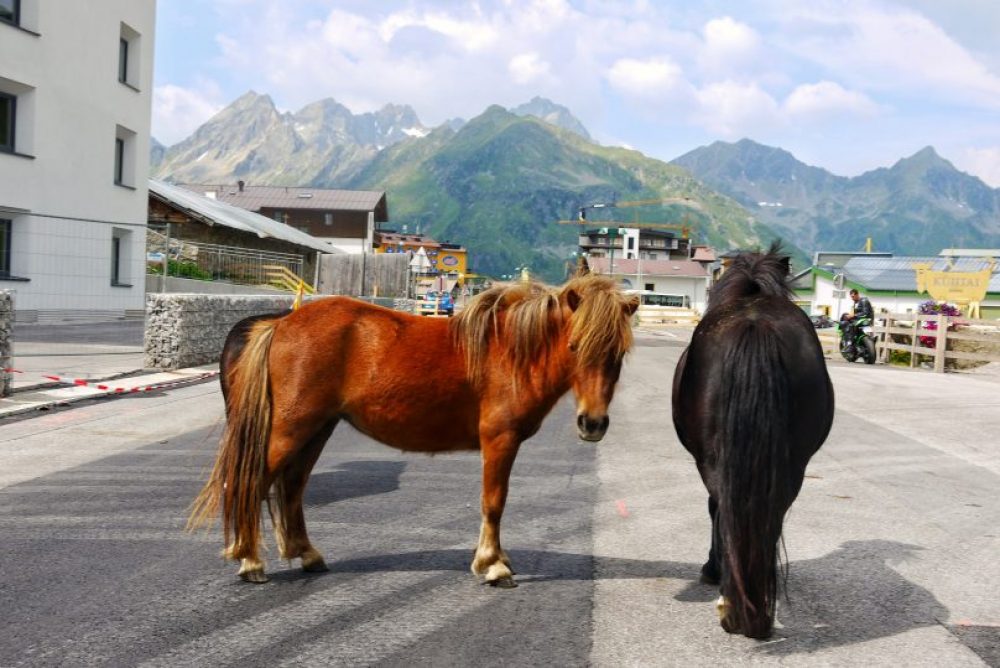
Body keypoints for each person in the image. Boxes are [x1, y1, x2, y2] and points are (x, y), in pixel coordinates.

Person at [840, 288, 874, 353]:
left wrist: (853, 316)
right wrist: (850, 315)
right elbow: (856, 313)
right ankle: (848, 339)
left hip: (865, 319)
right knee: (844, 315)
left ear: (857, 294)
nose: (852, 298)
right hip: (861, 319)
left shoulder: (864, 300)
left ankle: (850, 345)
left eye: (853, 296)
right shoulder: (856, 302)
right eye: (851, 297)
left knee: (850, 326)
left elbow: (865, 313)